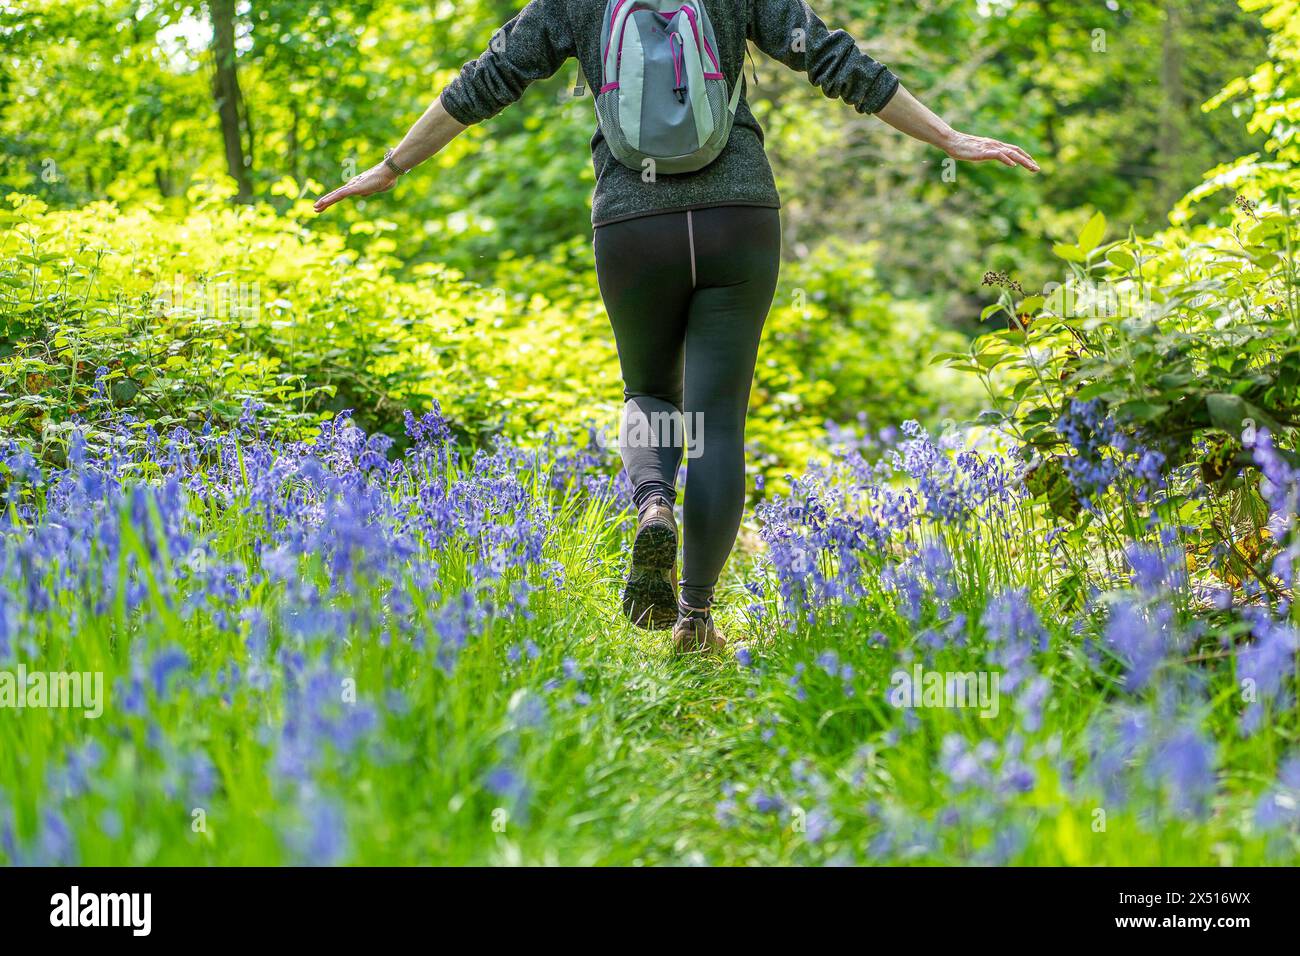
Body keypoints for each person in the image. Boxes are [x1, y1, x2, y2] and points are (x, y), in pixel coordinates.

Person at [314, 0, 1038, 656]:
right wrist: (948, 137)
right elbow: (836, 59)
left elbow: (486, 78)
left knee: (650, 394)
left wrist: (391, 165)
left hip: (635, 224)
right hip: (740, 219)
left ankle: (653, 503)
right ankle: (695, 620)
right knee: (718, 425)